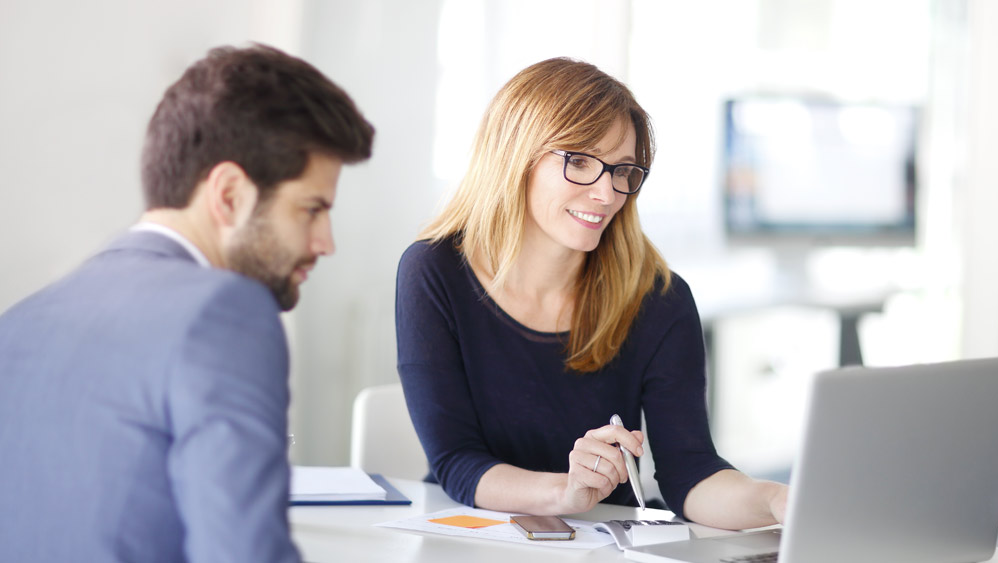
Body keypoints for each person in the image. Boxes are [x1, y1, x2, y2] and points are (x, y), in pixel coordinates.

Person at [0, 44, 373, 562]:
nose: (325, 242)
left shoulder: (20, 320)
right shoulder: (226, 311)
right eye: (311, 210)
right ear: (228, 196)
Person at [395, 57, 786, 530]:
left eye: (623, 170)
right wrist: (566, 490)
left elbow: (690, 471)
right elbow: (456, 461)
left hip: (601, 545)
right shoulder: (436, 271)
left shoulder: (658, 299)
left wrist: (774, 499)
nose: (607, 194)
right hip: (472, 536)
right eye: (580, 161)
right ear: (516, 155)